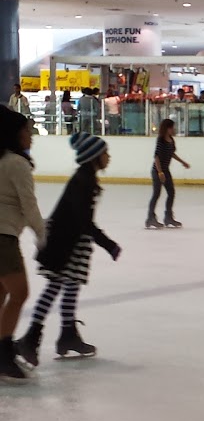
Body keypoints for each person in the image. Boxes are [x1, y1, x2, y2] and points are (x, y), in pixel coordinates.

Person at [15, 132, 120, 364]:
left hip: (71, 240)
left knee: (70, 287)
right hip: (65, 241)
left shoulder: (86, 178)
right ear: (94, 156)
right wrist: (108, 244)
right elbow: (83, 219)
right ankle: (31, 338)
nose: (108, 157)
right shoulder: (83, 181)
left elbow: (82, 221)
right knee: (56, 287)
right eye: (105, 153)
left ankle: (67, 335)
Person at [0, 105, 44, 381]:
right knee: (19, 293)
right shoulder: (17, 163)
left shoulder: (3, 159)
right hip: (3, 238)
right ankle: (3, 354)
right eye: (28, 131)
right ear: (16, 134)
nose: (31, 136)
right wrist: (42, 234)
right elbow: (29, 205)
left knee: (2, 294)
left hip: (4, 234)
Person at [146, 118, 191, 229]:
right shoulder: (160, 140)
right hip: (157, 171)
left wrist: (182, 162)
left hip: (165, 170)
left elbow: (172, 154)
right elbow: (156, 156)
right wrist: (160, 172)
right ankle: (150, 218)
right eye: (172, 128)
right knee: (156, 194)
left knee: (171, 192)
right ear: (167, 129)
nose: (174, 129)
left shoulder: (171, 140)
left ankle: (168, 217)